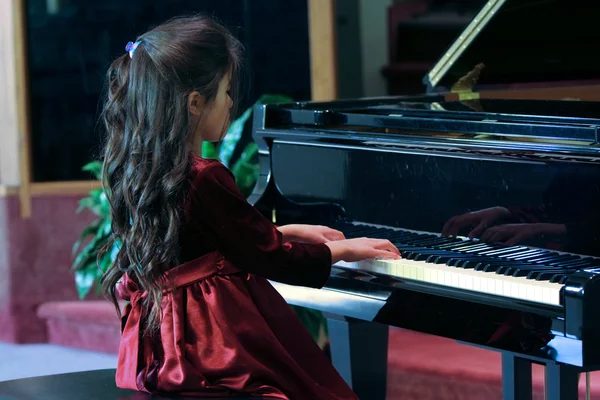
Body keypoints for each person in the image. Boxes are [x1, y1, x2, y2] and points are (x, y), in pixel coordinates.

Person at [99, 15, 400, 399]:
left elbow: (210, 243)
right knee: (307, 386)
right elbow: (271, 259)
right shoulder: (204, 176)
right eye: (225, 92)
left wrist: (286, 231)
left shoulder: (139, 168)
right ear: (195, 103)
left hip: (161, 341)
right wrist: (342, 249)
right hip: (206, 342)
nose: (230, 103)